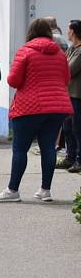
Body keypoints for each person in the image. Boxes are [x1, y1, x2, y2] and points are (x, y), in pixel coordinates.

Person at [0, 18, 73, 202]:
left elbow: (13, 81)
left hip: (30, 107)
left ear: (30, 32)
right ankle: (45, 190)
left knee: (20, 148)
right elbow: (66, 79)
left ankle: (13, 190)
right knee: (49, 148)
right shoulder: (60, 53)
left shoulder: (25, 52)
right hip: (57, 107)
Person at [57, 20, 81, 172]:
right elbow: (62, 65)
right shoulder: (72, 48)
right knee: (67, 128)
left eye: (69, 29)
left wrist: (62, 68)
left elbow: (68, 70)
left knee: (77, 128)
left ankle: (79, 160)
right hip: (67, 94)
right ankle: (70, 157)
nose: (67, 32)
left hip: (77, 95)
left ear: (73, 32)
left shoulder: (80, 51)